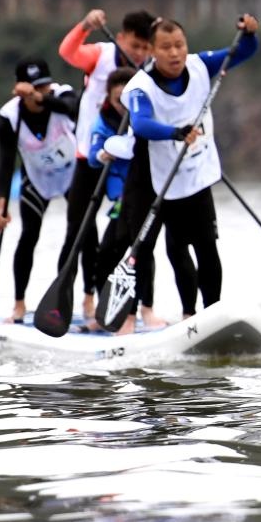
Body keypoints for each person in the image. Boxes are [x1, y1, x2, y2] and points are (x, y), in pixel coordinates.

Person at [115, 14, 260, 334]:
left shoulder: (199, 65)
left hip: (193, 173)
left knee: (205, 247)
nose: (175, 53)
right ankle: (128, 320)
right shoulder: (140, 87)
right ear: (152, 51)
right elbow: (141, 124)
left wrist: (250, 33)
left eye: (179, 45)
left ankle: (209, 316)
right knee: (142, 249)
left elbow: (243, 51)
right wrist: (175, 132)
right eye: (166, 47)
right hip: (151, 177)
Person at [58, 8, 155, 319]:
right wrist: (85, 25)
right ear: (121, 37)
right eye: (135, 46)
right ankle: (76, 300)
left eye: (146, 47)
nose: (140, 53)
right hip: (89, 156)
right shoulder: (101, 55)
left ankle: (140, 308)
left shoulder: (150, 68)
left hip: (130, 162)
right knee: (78, 231)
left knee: (138, 234)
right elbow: (68, 52)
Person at [0, 59, 79, 322]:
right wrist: (1, 204)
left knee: (84, 235)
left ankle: (88, 302)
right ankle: (19, 305)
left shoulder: (63, 95)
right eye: (34, 88)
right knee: (29, 236)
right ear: (19, 89)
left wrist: (40, 97)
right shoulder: (9, 117)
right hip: (37, 178)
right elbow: (6, 162)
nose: (41, 92)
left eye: (44, 86)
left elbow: (72, 107)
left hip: (73, 174)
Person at [87, 67, 169, 331]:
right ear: (109, 97)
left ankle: (147, 309)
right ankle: (106, 311)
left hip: (148, 193)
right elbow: (92, 156)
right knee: (106, 253)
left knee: (143, 248)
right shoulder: (103, 122)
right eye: (117, 100)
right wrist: (103, 154)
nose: (123, 107)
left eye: (126, 100)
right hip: (122, 200)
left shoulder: (144, 114)